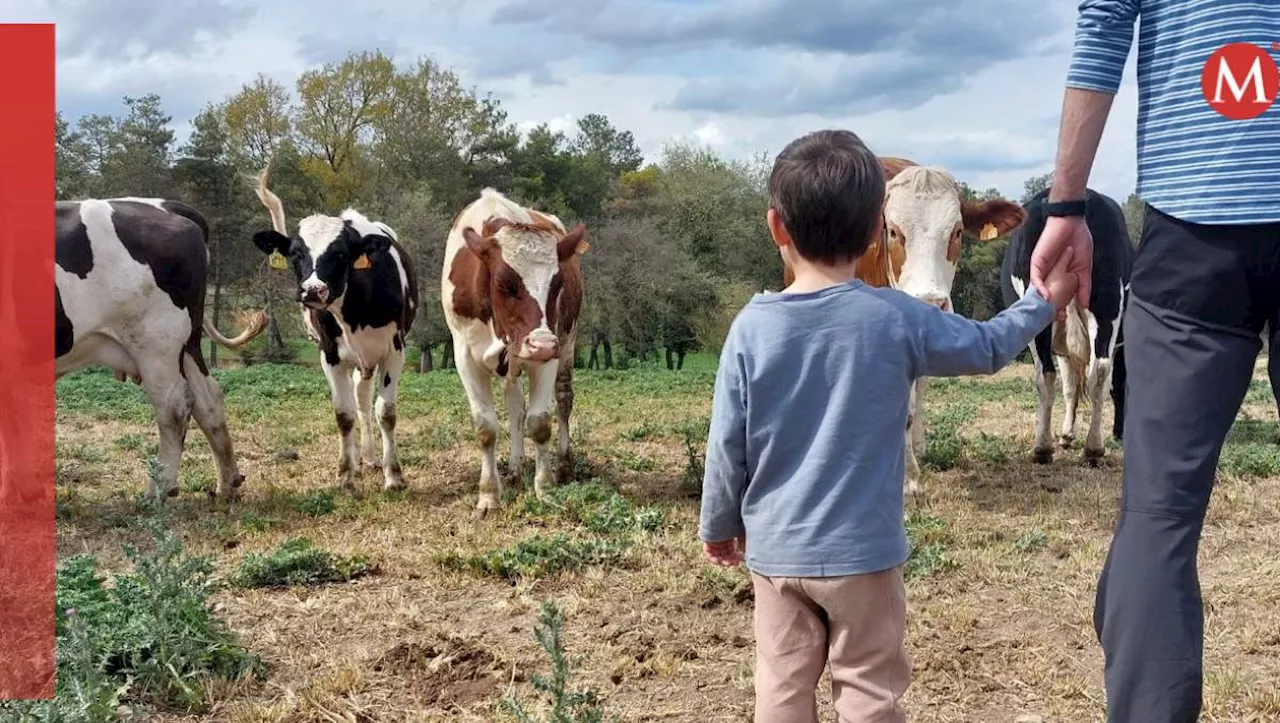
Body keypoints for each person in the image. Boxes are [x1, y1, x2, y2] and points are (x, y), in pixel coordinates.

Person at [697, 129, 1080, 722]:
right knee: (870, 690)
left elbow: (726, 444)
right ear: (880, 229)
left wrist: (719, 524)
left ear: (777, 228)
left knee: (780, 688)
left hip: (776, 556)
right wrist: (1040, 302)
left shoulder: (750, 327)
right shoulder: (897, 317)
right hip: (865, 557)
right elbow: (986, 348)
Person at [1031, 3, 1280, 721]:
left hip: (1195, 223)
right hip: (1189, 227)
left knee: (1158, 518)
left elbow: (1105, 23)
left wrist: (1067, 203)